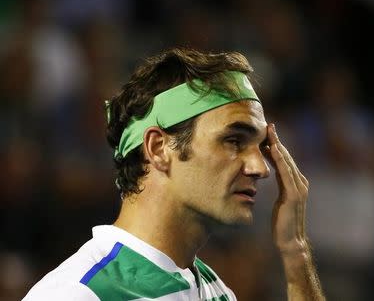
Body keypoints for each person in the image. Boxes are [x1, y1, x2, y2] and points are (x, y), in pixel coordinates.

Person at [23, 48, 324, 300]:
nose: (261, 168)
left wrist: (295, 252)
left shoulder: (216, 292)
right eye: (234, 141)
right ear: (158, 148)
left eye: (260, 147)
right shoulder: (78, 294)